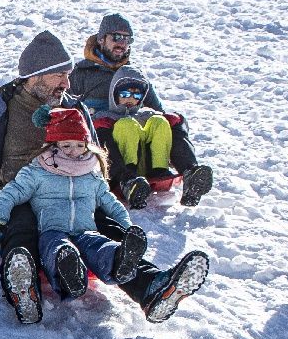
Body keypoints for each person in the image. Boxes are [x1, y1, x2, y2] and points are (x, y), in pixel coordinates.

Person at [0, 31, 208, 324]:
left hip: (72, 191)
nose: (67, 83)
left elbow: (94, 160)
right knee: (22, 230)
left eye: (68, 75)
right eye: (59, 75)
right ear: (35, 76)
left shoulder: (75, 108)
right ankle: (25, 291)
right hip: (18, 196)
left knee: (105, 230)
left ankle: (152, 287)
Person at [0, 108, 150, 301]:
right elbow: (8, 196)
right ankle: (69, 274)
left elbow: (111, 203)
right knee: (58, 249)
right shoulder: (37, 171)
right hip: (51, 231)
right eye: (67, 145)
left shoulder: (91, 174)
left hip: (86, 231)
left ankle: (120, 261)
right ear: (53, 144)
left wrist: (127, 228)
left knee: (100, 246)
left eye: (80, 145)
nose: (74, 152)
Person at [68, 13, 212, 206]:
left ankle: (190, 173)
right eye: (116, 37)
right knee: (102, 125)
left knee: (171, 120)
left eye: (127, 39)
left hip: (135, 136)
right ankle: (126, 181)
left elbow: (157, 110)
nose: (122, 43)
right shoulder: (81, 75)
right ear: (101, 39)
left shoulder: (134, 76)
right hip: (103, 138)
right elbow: (65, 107)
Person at [99, 65, 177, 209]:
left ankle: (159, 169)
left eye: (136, 95)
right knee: (127, 124)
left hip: (147, 167)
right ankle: (129, 181)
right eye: (125, 94)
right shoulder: (104, 116)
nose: (131, 99)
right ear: (114, 94)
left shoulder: (146, 114)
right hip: (120, 171)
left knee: (159, 121)